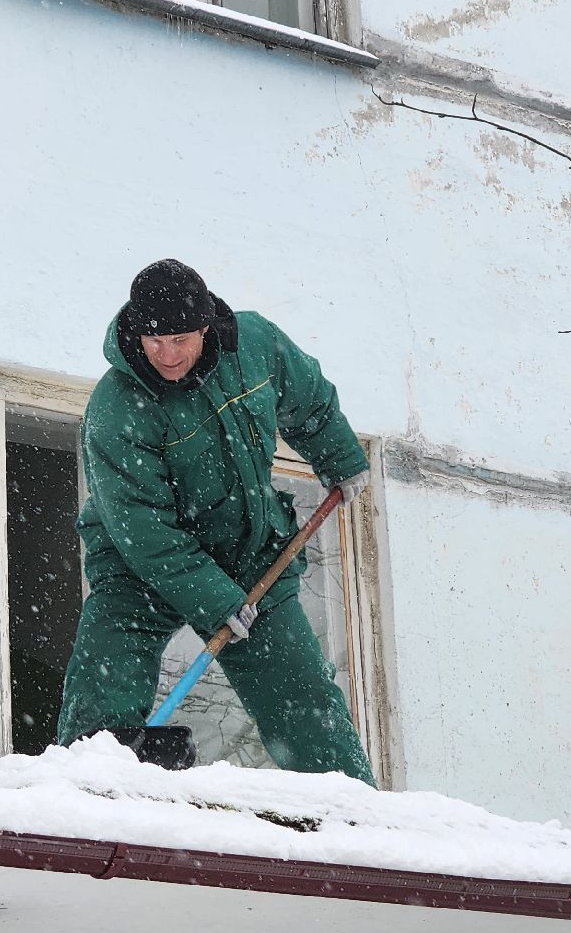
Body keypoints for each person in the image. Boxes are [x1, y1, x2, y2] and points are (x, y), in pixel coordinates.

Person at [57, 259, 376, 785]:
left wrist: (340, 459)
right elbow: (146, 533)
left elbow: (309, 400)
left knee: (304, 703)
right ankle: (82, 793)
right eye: (153, 339)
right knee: (105, 676)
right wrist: (216, 602)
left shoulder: (253, 345)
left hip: (250, 553)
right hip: (140, 568)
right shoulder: (116, 408)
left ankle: (359, 823)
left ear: (206, 326)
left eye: (180, 338)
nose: (166, 354)